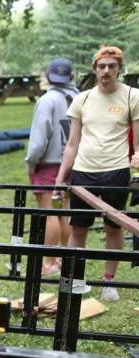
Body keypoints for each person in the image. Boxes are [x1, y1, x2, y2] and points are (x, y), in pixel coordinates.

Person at [55, 46, 139, 301]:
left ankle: (108, 282)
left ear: (119, 69)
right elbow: (72, 144)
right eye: (101, 66)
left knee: (114, 228)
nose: (106, 71)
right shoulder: (82, 99)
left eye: (112, 66)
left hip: (116, 170)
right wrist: (60, 180)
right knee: (78, 228)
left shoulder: (132, 96)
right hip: (84, 172)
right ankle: (74, 279)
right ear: (94, 69)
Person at [26, 58, 78, 275]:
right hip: (73, 161)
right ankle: (65, 258)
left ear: (49, 76)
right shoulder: (78, 97)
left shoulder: (47, 100)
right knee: (64, 210)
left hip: (49, 162)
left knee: (49, 211)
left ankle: (49, 261)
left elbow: (39, 137)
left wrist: (31, 161)